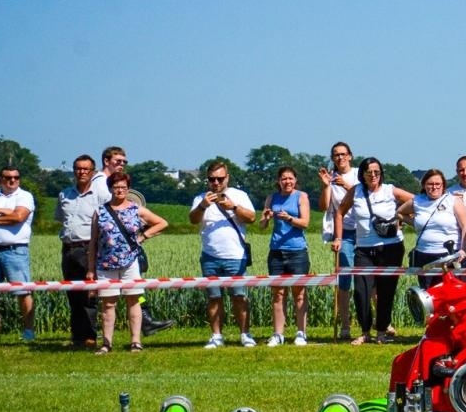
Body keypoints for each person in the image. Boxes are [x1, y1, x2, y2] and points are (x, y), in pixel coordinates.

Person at [91, 145, 173, 336]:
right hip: (106, 249)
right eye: (118, 161)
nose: (122, 165)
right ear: (106, 161)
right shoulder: (100, 183)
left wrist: (142, 233)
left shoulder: (120, 188)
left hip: (127, 249)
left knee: (134, 294)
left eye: (124, 162)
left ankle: (143, 323)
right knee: (107, 301)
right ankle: (102, 337)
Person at [85, 172, 168, 353]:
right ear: (110, 189)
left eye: (123, 187)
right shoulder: (100, 211)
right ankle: (107, 343)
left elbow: (162, 223)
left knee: (134, 300)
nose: (120, 190)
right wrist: (91, 269)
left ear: (128, 189)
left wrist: (143, 236)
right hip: (105, 264)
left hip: (130, 262)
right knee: (108, 304)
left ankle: (136, 342)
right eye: (116, 187)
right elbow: (93, 242)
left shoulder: (136, 209)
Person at [337, 157, 413, 344]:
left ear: (381, 173)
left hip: (391, 248)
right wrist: (338, 237)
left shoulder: (390, 190)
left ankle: (381, 331)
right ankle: (364, 331)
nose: (373, 175)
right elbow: (339, 212)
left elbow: (417, 201)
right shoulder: (356, 192)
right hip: (363, 248)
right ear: (362, 174)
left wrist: (401, 218)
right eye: (369, 172)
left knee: (386, 291)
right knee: (361, 291)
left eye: (376, 172)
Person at [189, 160, 258, 349]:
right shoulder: (200, 199)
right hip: (210, 256)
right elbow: (193, 220)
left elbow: (252, 217)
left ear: (227, 177)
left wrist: (233, 207)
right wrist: (203, 206)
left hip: (236, 256)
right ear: (207, 180)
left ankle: (245, 334)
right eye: (212, 179)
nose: (216, 183)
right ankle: (217, 335)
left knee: (239, 296)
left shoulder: (239, 195)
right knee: (214, 297)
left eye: (220, 179)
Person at [0, 166, 36, 342]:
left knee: (22, 292)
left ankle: (28, 331)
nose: (12, 181)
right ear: (0, 179)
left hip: (15, 251)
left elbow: (19, 217)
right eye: (8, 177)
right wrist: (2, 212)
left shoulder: (25, 196)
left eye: (16, 177)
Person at [260, 166, 311, 347]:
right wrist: (266, 217)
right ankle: (278, 334)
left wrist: (288, 218)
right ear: (278, 181)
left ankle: (300, 333)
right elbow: (262, 226)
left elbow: (305, 222)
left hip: (297, 251)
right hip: (276, 251)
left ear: (295, 180)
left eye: (290, 178)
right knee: (278, 294)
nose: (287, 182)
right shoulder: (271, 198)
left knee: (299, 293)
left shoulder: (301, 196)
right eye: (284, 179)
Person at [55, 154, 102, 347]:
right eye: (78, 169)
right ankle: (77, 337)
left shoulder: (100, 195)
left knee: (89, 296)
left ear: (93, 172)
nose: (81, 172)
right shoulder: (64, 194)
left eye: (86, 169)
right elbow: (60, 218)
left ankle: (90, 337)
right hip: (68, 249)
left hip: (88, 249)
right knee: (72, 295)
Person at [316, 142, 359, 341]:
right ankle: (345, 326)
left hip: (365, 231)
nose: (340, 158)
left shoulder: (360, 174)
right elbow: (324, 206)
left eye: (343, 154)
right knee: (344, 280)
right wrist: (326, 186)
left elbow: (367, 196)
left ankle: (380, 323)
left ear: (350, 156)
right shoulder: (329, 178)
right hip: (343, 233)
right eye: (336, 155)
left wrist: (347, 186)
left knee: (370, 278)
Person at [410, 168, 466, 288]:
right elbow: (400, 212)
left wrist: (463, 249)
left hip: (448, 255)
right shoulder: (417, 201)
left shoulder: (453, 200)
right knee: (428, 295)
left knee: (449, 293)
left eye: (438, 184)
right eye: (430, 184)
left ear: (443, 186)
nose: (434, 187)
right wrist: (414, 222)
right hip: (424, 255)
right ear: (424, 185)